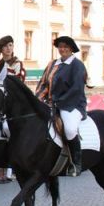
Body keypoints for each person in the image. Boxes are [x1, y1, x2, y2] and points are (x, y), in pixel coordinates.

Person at [36, 35, 88, 176]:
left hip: (72, 104)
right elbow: (43, 84)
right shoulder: (52, 64)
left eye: (65, 46)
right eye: (60, 47)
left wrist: (58, 103)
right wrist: (38, 100)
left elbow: (76, 88)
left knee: (70, 129)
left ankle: (76, 163)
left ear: (71, 49)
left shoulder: (77, 65)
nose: (62, 49)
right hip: (52, 104)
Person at [0, 35, 25, 183]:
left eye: (10, 45)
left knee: (9, 128)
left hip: (15, 102)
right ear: (1, 49)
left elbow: (19, 83)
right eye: (5, 46)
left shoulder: (17, 63)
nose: (8, 48)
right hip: (0, 103)